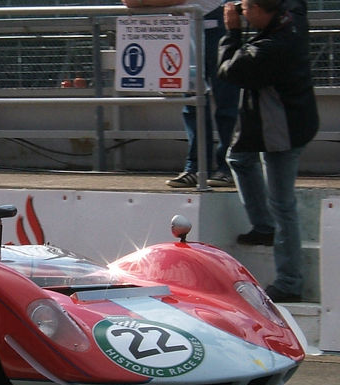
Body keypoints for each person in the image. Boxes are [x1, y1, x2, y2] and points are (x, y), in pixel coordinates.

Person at [217, 0, 319, 302]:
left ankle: (289, 281)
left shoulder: (271, 47)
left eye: (247, 7)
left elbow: (228, 70)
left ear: (264, 11)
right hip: (281, 121)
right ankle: (263, 226)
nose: (242, 10)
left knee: (283, 205)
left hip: (281, 131)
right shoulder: (293, 17)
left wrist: (232, 32)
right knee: (238, 158)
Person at [122, 0, 240, 188]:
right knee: (193, 102)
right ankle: (196, 167)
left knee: (226, 102)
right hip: (184, 26)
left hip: (212, 24)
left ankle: (229, 167)